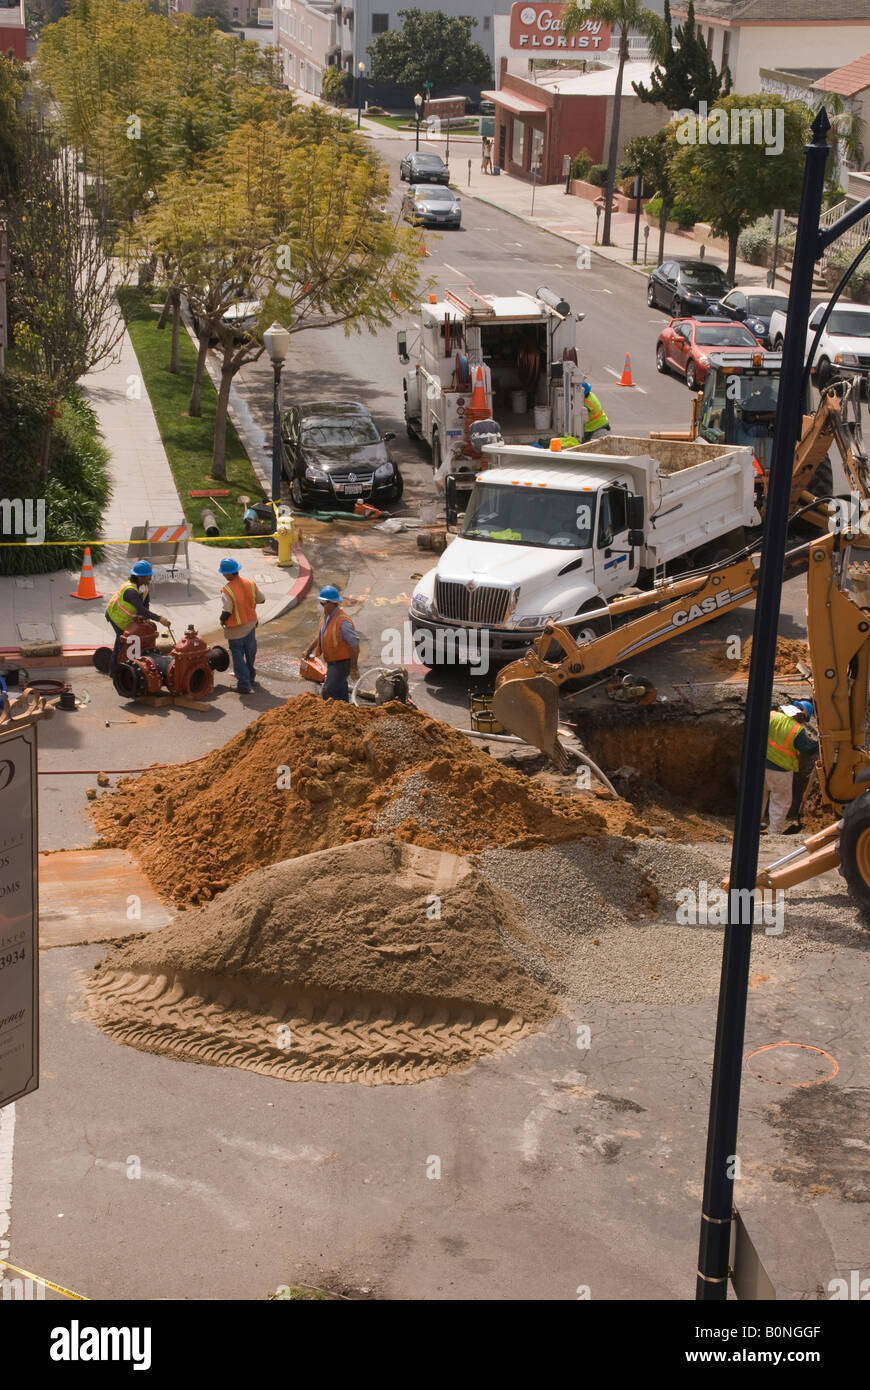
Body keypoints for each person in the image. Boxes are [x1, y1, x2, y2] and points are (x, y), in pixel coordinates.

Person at [104, 561, 170, 673]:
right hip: (115, 616)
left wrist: (147, 619)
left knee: (130, 640)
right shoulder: (130, 591)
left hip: (126, 618)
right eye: (148, 576)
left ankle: (128, 664)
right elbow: (141, 610)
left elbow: (145, 605)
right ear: (140, 577)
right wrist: (159, 619)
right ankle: (113, 671)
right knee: (121, 642)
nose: (150, 578)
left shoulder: (144, 587)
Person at [764, 700, 818, 834]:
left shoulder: (771, 715)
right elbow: (806, 748)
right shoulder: (796, 730)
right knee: (780, 802)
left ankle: (751, 827)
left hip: (761, 767)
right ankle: (773, 833)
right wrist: (818, 744)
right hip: (781, 772)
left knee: (758, 798)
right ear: (801, 715)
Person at [304, 585, 360, 702]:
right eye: (321, 603)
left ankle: (333, 711)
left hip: (341, 663)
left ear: (333, 603)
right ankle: (344, 707)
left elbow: (354, 645)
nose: (322, 606)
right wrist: (309, 650)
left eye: (324, 603)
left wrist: (353, 667)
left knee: (328, 690)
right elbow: (320, 634)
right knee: (339, 688)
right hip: (332, 661)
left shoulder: (343, 622)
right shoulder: (327, 616)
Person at [218, 556, 265, 695]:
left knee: (238, 656)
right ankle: (250, 678)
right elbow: (262, 600)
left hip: (236, 630)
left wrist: (222, 620)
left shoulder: (227, 590)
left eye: (223, 573)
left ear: (227, 573)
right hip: (250, 625)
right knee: (250, 653)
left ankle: (244, 685)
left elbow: (227, 610)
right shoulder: (250, 583)